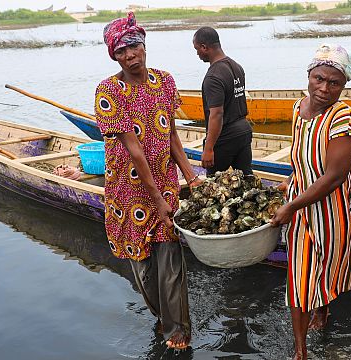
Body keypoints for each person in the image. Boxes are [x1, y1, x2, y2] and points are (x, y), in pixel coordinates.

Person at [94, 12, 201, 350]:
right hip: (128, 188)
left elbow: (170, 135)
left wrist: (190, 177)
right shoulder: (108, 91)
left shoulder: (164, 81)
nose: (131, 55)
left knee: (170, 256)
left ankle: (177, 330)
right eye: (122, 51)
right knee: (142, 265)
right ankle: (162, 316)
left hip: (166, 182)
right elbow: (134, 150)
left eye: (135, 47)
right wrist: (154, 197)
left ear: (143, 46)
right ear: (114, 55)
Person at [271, 44, 351, 360]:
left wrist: (290, 206)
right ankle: (301, 352)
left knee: (324, 266)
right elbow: (301, 157)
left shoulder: (343, 118)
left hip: (334, 210)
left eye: (334, 83)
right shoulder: (298, 109)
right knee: (298, 278)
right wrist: (288, 183)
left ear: (344, 85)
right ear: (308, 75)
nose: (324, 88)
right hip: (301, 206)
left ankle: (322, 312)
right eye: (319, 78)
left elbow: (334, 176)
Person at [192, 26, 253, 176]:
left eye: (197, 49)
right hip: (243, 131)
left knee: (212, 188)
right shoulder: (236, 66)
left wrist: (208, 148)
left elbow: (217, 114)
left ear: (204, 47)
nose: (197, 54)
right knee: (247, 179)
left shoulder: (213, 77)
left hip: (225, 136)